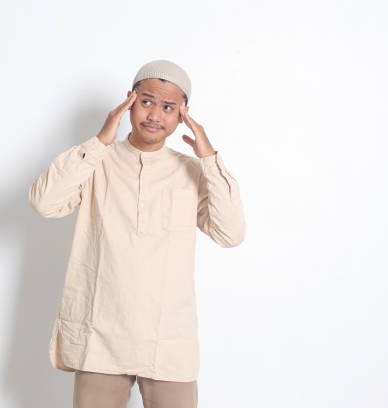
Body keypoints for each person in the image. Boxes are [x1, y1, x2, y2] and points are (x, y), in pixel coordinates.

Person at [28, 59, 246, 408]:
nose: (155, 115)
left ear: (182, 114)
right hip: (100, 334)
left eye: (168, 107)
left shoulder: (192, 171)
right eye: (146, 101)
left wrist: (208, 157)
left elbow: (230, 233)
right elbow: (44, 202)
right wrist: (101, 140)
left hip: (168, 339)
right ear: (129, 101)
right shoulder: (96, 161)